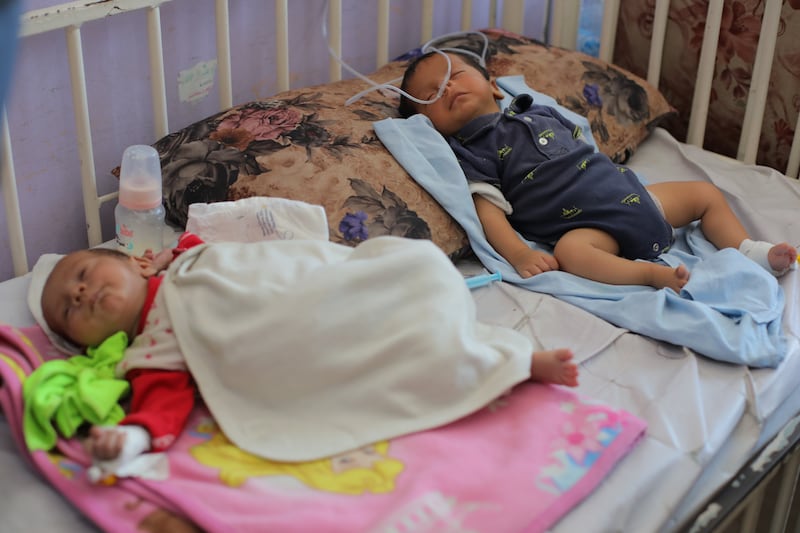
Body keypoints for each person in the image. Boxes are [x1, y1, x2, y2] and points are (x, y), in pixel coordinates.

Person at [37, 232, 579, 466]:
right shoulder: (148, 351)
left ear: (135, 262)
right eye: (69, 307)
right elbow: (161, 404)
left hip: (318, 288)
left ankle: (494, 350)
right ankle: (515, 363)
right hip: (297, 333)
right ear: (82, 343)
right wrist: (132, 437)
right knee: (382, 354)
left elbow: (257, 262)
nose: (80, 292)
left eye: (82, 274)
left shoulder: (186, 260)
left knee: (413, 266)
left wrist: (178, 254)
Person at [397, 51, 798, 291]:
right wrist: (519, 254)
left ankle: (750, 252)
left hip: (639, 198)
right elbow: (488, 212)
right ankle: (646, 276)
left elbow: (584, 146)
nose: (447, 89)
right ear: (429, 123)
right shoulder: (472, 153)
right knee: (572, 253)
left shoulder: (537, 110)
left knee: (705, 195)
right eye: (431, 94)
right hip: (593, 230)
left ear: (495, 86)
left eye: (455, 76)